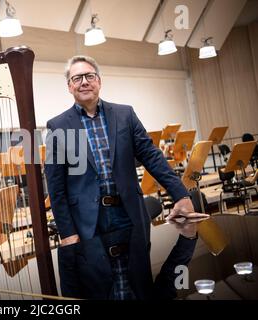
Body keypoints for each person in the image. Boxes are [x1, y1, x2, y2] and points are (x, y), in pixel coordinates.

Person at [44, 55, 209, 300]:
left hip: (128, 214)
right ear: (69, 86)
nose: (84, 82)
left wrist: (181, 195)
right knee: (101, 285)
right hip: (89, 221)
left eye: (90, 76)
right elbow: (56, 188)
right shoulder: (58, 126)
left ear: (99, 81)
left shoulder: (125, 115)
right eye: (76, 78)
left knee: (136, 280)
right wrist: (67, 232)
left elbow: (152, 156)